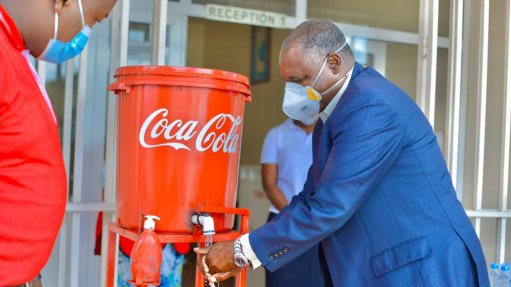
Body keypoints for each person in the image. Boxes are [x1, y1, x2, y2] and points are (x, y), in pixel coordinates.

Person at [195, 19, 490, 286]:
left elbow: (329, 206)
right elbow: (310, 197)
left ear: (334, 62)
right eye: (289, 83)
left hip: (420, 270)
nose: (293, 92)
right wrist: (243, 245)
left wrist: (242, 252)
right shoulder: (334, 114)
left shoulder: (370, 106)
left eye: (299, 81)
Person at [0, 0, 116, 286]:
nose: (84, 34)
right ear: (62, 3)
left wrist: (29, 272)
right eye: (93, 20)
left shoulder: (14, 50)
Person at [260, 118, 324, 287]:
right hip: (282, 222)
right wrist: (295, 215)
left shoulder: (328, 130)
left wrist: (311, 217)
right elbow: (269, 183)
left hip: (320, 225)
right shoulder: (276, 134)